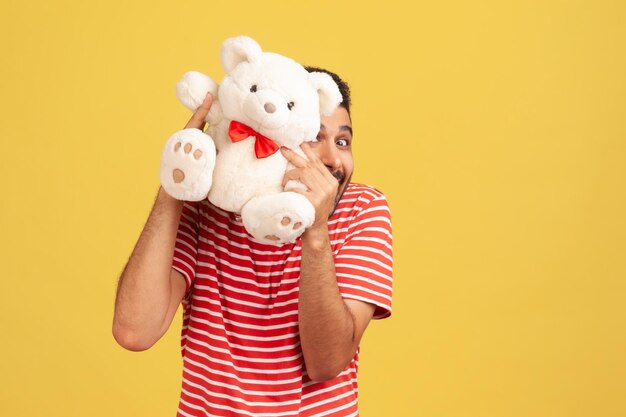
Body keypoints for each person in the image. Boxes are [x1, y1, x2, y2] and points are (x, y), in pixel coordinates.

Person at [113, 68, 393, 417]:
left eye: (342, 142)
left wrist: (316, 231)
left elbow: (327, 362)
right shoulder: (207, 208)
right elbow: (134, 331)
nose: (334, 160)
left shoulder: (362, 209)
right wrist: (177, 182)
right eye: (314, 138)